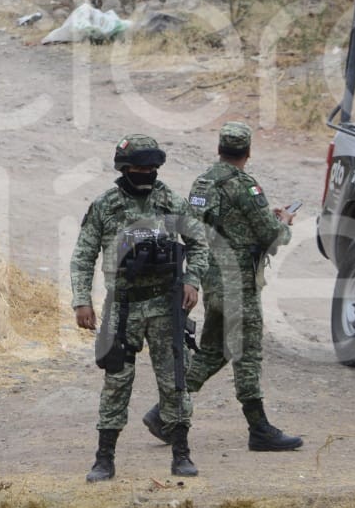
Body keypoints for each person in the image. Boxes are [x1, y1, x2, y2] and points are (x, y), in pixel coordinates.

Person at [144, 121, 303, 453]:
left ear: (219, 149)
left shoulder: (202, 183)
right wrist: (284, 223)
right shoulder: (245, 186)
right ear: (248, 152)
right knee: (247, 354)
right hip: (238, 284)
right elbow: (270, 235)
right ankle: (259, 428)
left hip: (212, 281)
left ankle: (163, 414)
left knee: (215, 351)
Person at [71, 135, 210, 483]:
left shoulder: (170, 201)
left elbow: (199, 242)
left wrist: (192, 280)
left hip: (165, 305)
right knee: (116, 382)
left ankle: (181, 454)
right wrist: (82, 300)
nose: (147, 174)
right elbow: (84, 254)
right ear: (124, 168)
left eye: (152, 168)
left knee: (175, 380)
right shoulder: (106, 205)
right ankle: (104, 459)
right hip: (122, 307)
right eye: (139, 168)